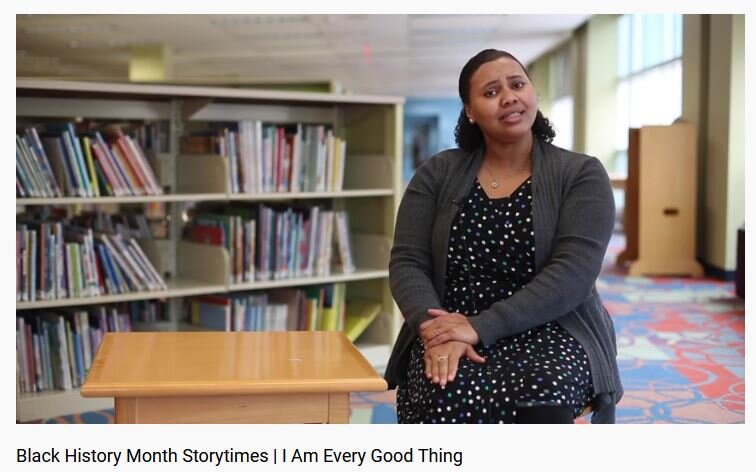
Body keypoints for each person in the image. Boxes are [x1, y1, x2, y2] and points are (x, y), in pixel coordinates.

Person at [385, 49, 622, 424]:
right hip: (448, 322)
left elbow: (573, 274)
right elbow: (408, 261)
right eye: (491, 92)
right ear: (470, 111)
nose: (509, 97)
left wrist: (478, 327)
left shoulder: (581, 174)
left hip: (550, 325)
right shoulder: (437, 173)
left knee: (545, 393)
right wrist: (434, 329)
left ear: (533, 94)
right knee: (444, 388)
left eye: (517, 84)